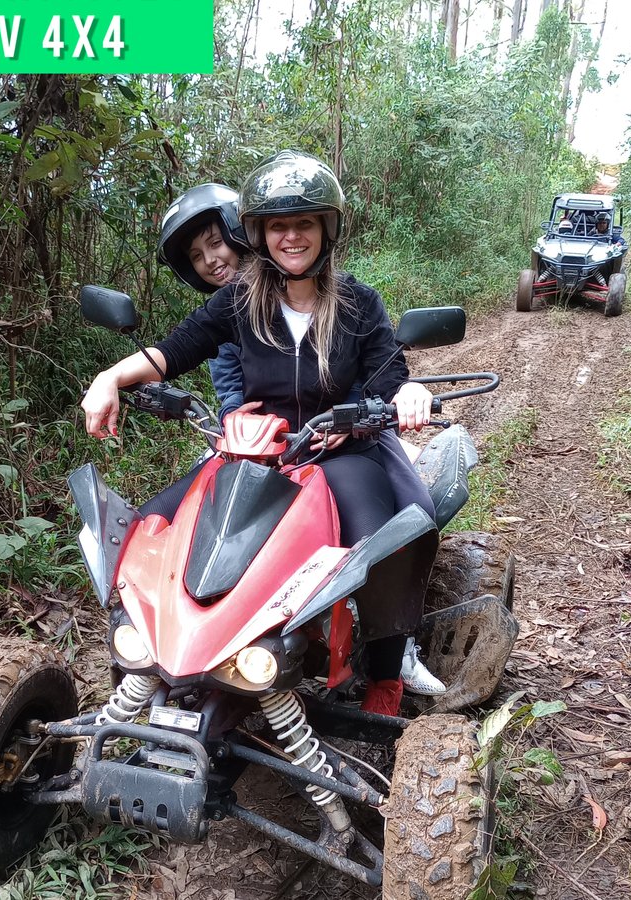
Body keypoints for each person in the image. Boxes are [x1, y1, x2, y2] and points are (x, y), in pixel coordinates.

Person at [83, 150, 444, 711]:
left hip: (340, 448)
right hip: (258, 452)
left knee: (388, 538)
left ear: (327, 229)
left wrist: (408, 396)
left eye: (304, 224)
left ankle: (386, 671)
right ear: (260, 233)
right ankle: (156, 658)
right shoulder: (237, 302)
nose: (291, 237)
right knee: (153, 527)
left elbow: (390, 377)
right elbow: (170, 353)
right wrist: (109, 376)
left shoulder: (359, 303)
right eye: (278, 226)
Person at [156, 183, 252, 421]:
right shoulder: (220, 316)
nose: (209, 260)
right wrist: (233, 417)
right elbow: (230, 388)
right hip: (263, 431)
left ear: (237, 234)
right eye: (196, 256)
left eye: (216, 243)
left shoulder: (291, 284)